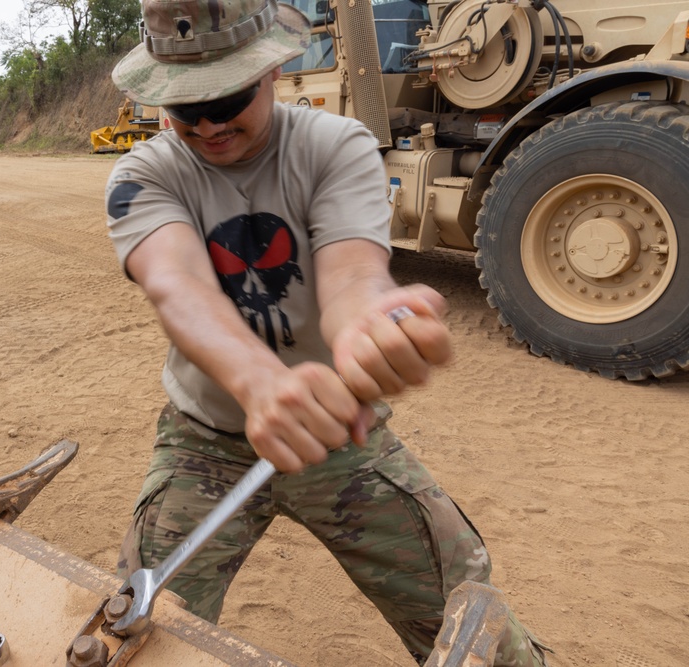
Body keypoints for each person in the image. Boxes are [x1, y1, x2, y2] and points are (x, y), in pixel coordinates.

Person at [103, 0, 550, 664]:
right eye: (185, 107)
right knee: (132, 631)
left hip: (339, 435)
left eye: (226, 97)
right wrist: (260, 386)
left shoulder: (333, 146)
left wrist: (369, 325)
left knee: (468, 615)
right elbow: (179, 287)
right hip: (206, 446)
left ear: (274, 70)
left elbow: (351, 277)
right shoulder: (144, 175)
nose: (209, 124)